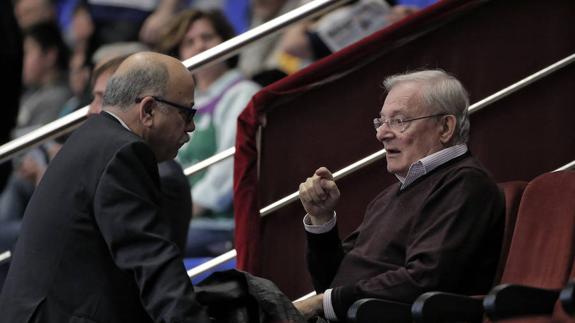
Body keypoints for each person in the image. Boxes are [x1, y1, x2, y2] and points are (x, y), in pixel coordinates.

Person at [0, 52, 210, 323]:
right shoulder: (124, 152)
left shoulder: (93, 137)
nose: (191, 127)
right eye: (186, 112)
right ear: (148, 110)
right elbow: (152, 260)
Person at [294, 70, 504, 321]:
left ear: (445, 127)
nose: (381, 133)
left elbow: (425, 278)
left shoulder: (466, 184)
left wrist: (322, 303)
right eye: (381, 122)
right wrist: (321, 220)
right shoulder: (390, 195)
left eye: (399, 120)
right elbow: (333, 283)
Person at [156, 9, 260, 257]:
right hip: (190, 219)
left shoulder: (243, 93)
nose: (199, 46)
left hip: (224, 223)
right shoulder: (182, 102)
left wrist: (185, 210)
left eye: (207, 37)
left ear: (226, 42)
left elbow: (228, 167)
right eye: (189, 42)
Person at [89, 54, 192, 251]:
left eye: (104, 98)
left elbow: (153, 264)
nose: (92, 110)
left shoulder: (160, 176)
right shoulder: (103, 159)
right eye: (94, 98)